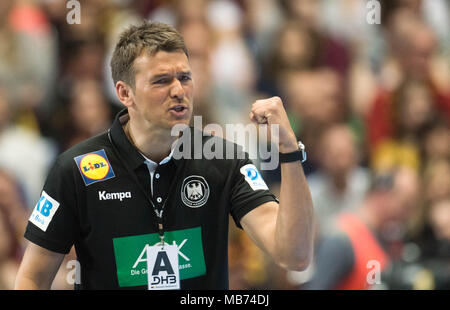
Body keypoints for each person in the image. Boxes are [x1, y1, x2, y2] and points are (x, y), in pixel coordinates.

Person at [14, 21, 314, 290]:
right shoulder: (76, 169)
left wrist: (288, 151)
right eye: (161, 81)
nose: (178, 90)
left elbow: (295, 255)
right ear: (124, 93)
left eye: (185, 77)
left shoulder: (224, 159)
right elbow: (31, 278)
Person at [305, 167, 419, 290]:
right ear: (383, 194)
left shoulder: (382, 238)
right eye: (405, 205)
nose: (407, 215)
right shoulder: (341, 239)